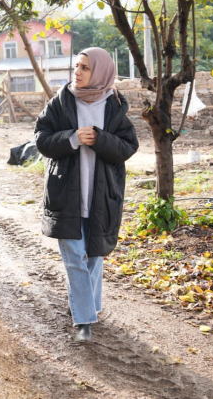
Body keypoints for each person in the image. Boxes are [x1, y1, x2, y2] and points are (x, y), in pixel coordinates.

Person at [34, 47, 138, 342]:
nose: (77, 73)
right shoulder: (61, 101)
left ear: (101, 72)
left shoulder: (114, 105)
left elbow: (128, 147)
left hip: (102, 195)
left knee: (94, 256)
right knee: (75, 259)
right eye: (76, 66)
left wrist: (100, 139)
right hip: (66, 194)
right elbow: (41, 139)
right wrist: (72, 138)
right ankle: (84, 320)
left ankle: (87, 305)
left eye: (85, 68)